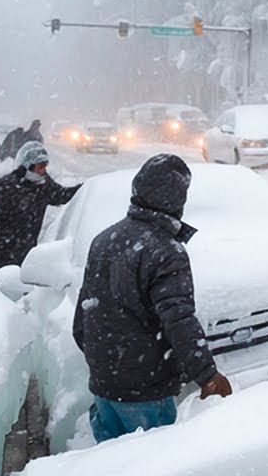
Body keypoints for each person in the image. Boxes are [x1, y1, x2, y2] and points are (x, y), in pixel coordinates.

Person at [73, 154, 231, 443]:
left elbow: (84, 316)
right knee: (149, 461)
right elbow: (179, 319)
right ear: (176, 199)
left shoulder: (104, 240)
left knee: (109, 462)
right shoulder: (166, 251)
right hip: (146, 389)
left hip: (105, 385)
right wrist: (207, 375)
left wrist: (104, 362)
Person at [0, 141, 82, 279]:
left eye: (45, 166)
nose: (44, 170)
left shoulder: (43, 185)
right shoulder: (3, 187)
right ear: (27, 166)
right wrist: (9, 239)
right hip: (2, 254)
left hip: (27, 252)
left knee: (22, 291)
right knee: (0, 291)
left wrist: (86, 187)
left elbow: (61, 195)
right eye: (40, 166)